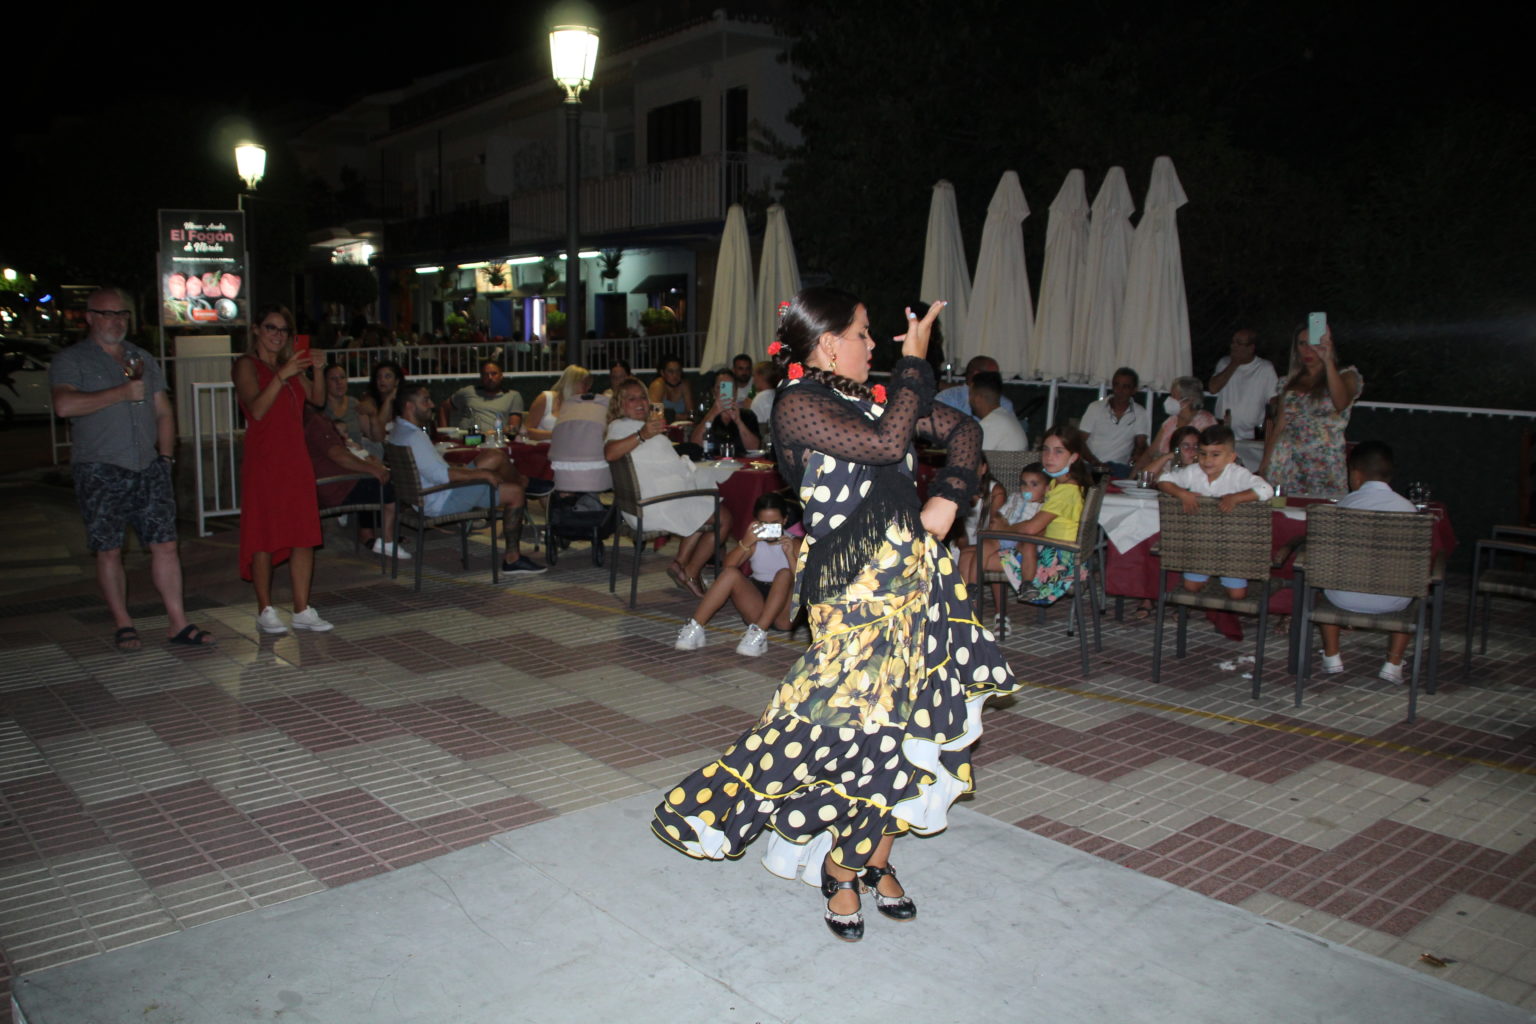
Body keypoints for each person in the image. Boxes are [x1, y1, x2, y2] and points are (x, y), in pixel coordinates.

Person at [650, 288, 1017, 943]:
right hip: (854, 586)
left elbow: (964, 430)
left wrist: (946, 504)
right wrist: (916, 362)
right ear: (827, 344)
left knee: (906, 724)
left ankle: (875, 859)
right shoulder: (798, 406)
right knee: (859, 726)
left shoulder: (873, 396)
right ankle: (841, 865)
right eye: (864, 334)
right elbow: (884, 444)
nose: (874, 347)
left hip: (917, 577)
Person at [49, 287, 216, 650]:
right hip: (100, 467)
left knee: (166, 545)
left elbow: (163, 411)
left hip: (147, 466)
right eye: (108, 314)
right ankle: (123, 623)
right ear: (90, 317)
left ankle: (178, 622)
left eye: (123, 314)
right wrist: (120, 393)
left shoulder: (141, 358)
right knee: (109, 548)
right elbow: (64, 405)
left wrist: (166, 459)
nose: (117, 321)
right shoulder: (72, 360)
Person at [233, 304, 331, 634]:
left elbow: (317, 400)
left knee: (303, 534)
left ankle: (302, 608)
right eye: (271, 328)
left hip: (295, 458)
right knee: (264, 533)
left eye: (283, 330)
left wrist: (317, 368)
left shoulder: (290, 366)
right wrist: (281, 375)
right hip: (264, 461)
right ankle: (265, 607)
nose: (277, 335)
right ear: (257, 330)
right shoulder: (246, 365)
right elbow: (256, 409)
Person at [388, 384, 546, 576]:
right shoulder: (414, 437)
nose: (431, 404)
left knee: (497, 464)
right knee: (505, 474)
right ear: (409, 406)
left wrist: (467, 470)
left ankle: (522, 483)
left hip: (429, 496)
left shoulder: (398, 432)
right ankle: (524, 487)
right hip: (442, 499)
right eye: (425, 400)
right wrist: (482, 474)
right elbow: (442, 476)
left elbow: (435, 471)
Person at [604, 379, 733, 596]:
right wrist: (642, 435)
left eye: (643, 397)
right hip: (652, 506)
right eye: (631, 398)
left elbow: (654, 461)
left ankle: (680, 564)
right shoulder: (620, 427)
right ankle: (690, 571)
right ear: (619, 404)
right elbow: (610, 453)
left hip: (655, 500)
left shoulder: (639, 427)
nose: (640, 403)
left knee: (707, 498)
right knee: (724, 517)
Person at [1315, 441, 1418, 683]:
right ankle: (1393, 664)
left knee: (1319, 580)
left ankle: (1332, 656)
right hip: (1394, 601)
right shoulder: (1408, 509)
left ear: (1356, 473)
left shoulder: (1346, 506)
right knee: (1408, 583)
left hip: (1344, 598)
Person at [959, 427, 1090, 609]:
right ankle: (966, 605)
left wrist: (1002, 530)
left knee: (972, 558)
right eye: (1045, 449)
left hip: (1056, 561)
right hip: (1048, 549)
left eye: (1058, 451)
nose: (1049, 456)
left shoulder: (1066, 491)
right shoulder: (1056, 483)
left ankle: (966, 610)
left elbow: (1030, 529)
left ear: (1074, 457)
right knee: (967, 553)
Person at [1157, 423, 1275, 601]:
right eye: (1203, 454)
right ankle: (1209, 576)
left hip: (1233, 547)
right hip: (1201, 546)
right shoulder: (1193, 472)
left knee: (1237, 595)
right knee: (1191, 587)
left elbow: (1266, 490)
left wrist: (1236, 498)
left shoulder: (1238, 474)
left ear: (1231, 457)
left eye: (1215, 455)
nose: (1207, 460)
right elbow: (1163, 480)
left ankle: (1224, 578)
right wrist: (1182, 493)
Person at [674, 492, 802, 656]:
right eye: (764, 523)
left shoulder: (795, 542)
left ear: (784, 521)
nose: (769, 529)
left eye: (774, 523)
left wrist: (790, 554)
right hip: (757, 602)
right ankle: (695, 627)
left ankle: (759, 634)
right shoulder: (754, 542)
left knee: (784, 574)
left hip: (785, 609)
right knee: (731, 574)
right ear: (756, 522)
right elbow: (728, 568)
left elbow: (805, 580)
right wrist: (746, 542)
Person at [1259, 326, 1362, 496]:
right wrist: (1265, 463)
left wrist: (1328, 361)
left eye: (1314, 344)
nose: (1308, 350)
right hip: (1287, 461)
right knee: (1285, 515)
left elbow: (1341, 403)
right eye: (1302, 344)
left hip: (1325, 463)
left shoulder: (1346, 375)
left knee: (1325, 515)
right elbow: (1279, 427)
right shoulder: (1289, 382)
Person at [303, 404, 406, 559]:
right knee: (385, 485)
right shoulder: (314, 421)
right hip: (333, 486)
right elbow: (338, 455)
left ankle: (378, 534)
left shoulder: (307, 418)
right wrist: (373, 469)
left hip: (329, 482)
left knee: (371, 478)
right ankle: (388, 540)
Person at [959, 461, 1047, 634]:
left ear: (1047, 488)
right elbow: (1000, 517)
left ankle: (1027, 584)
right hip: (1004, 538)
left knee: (1028, 546)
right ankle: (971, 591)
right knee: (972, 551)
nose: (1027, 488)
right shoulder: (1015, 498)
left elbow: (1037, 530)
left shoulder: (1044, 505)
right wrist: (1000, 523)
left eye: (1034, 484)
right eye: (1023, 483)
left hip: (1024, 541)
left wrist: (1006, 528)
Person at [1209, 329, 1279, 451]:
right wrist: (1234, 364)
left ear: (1251, 348)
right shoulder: (1224, 363)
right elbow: (1213, 388)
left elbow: (1274, 400)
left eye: (1239, 343)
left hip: (1251, 436)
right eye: (1233, 342)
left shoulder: (1265, 368)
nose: (1233, 346)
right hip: (1223, 433)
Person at [1134, 375, 1217, 475]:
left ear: (1188, 400)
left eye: (1173, 397)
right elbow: (1149, 453)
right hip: (1159, 476)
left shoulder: (1205, 421)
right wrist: (1132, 476)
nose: (1169, 400)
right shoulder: (1170, 421)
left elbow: (1207, 458)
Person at [1078, 367, 1150, 477]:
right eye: (1116, 385)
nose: (1119, 390)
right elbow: (1079, 441)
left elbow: (1141, 444)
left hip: (1119, 468)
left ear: (1134, 390)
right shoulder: (1095, 407)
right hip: (1091, 465)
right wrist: (1096, 463)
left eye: (1125, 387)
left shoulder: (1139, 412)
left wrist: (1137, 456)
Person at [440, 360, 524, 433]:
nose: (490, 378)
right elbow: (443, 407)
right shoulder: (468, 391)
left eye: (494, 374)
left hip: (494, 440)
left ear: (501, 376)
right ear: (481, 377)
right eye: (486, 374)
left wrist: (493, 433)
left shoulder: (512, 396)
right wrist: (444, 432)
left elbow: (513, 428)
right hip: (466, 437)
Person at [691, 369, 760, 454]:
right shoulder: (705, 415)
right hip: (711, 463)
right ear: (714, 392)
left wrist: (739, 422)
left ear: (735, 391)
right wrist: (713, 413)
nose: (724, 391)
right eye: (720, 387)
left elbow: (754, 448)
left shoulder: (748, 415)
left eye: (729, 387)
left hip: (740, 463)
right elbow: (695, 444)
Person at [935, 354, 1016, 419]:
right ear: (976, 375)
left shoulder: (1004, 404)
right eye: (992, 376)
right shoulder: (946, 399)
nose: (996, 380)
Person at [525, 364, 590, 441]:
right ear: (572, 384)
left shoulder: (583, 405)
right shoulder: (546, 398)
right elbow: (527, 431)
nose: (587, 389)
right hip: (542, 448)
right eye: (584, 385)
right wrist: (556, 435)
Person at [968, 370, 1028, 450]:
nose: (968, 399)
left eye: (970, 394)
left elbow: (970, 458)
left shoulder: (990, 424)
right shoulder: (1006, 417)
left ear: (977, 399)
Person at [357, 360, 404, 458]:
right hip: (377, 451)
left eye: (387, 376)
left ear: (397, 381)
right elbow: (380, 428)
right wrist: (388, 400)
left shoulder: (404, 401)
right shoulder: (369, 400)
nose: (382, 380)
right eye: (379, 377)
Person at [321, 363, 366, 449]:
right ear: (325, 382)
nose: (339, 382)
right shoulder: (319, 408)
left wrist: (373, 415)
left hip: (357, 455)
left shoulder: (355, 403)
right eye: (333, 379)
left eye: (342, 377)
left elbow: (375, 436)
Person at [648, 355, 694, 420]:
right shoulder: (658, 385)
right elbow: (654, 412)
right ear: (662, 373)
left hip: (682, 425)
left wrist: (689, 416)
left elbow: (691, 413)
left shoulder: (684, 385)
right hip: (661, 424)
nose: (675, 375)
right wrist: (676, 416)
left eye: (678, 371)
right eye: (670, 371)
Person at [749, 360, 779, 430]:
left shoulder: (761, 398)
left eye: (754, 376)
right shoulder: (776, 394)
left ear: (760, 376)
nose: (753, 380)